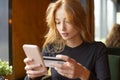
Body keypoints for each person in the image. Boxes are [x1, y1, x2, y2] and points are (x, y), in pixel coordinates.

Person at [24, 0, 111, 80]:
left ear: (80, 20)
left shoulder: (97, 49)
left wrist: (83, 73)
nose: (62, 28)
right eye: (58, 22)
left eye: (68, 21)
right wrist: (30, 76)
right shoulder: (51, 48)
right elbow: (36, 77)